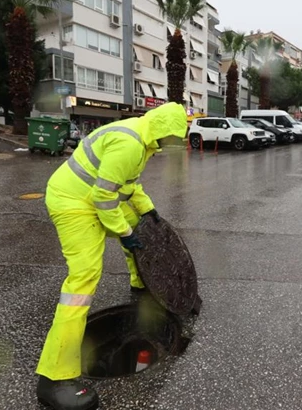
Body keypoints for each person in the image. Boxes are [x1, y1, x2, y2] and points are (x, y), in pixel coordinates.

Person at [36, 102, 187, 410]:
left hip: (89, 198)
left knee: (136, 228)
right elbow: (104, 198)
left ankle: (141, 285)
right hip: (73, 204)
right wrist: (127, 234)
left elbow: (128, 186)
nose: (170, 145)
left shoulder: (143, 141)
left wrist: (148, 212)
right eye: (170, 139)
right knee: (83, 281)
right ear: (161, 130)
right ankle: (54, 379)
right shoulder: (129, 143)